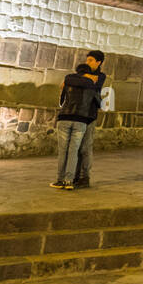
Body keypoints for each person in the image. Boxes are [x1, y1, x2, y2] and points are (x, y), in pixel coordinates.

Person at [53, 62, 103, 190]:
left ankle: (60, 180)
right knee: (74, 151)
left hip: (64, 118)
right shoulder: (91, 85)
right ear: (87, 73)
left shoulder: (68, 80)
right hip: (81, 120)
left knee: (63, 151)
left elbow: (61, 101)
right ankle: (69, 181)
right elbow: (99, 103)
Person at [72, 51, 107, 189]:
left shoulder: (101, 76)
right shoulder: (81, 74)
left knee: (86, 147)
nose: (88, 63)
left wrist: (84, 77)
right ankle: (74, 175)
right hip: (77, 114)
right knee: (76, 147)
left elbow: (94, 85)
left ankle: (84, 176)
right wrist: (86, 76)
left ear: (99, 62)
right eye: (87, 60)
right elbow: (70, 79)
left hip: (90, 115)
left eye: (91, 60)